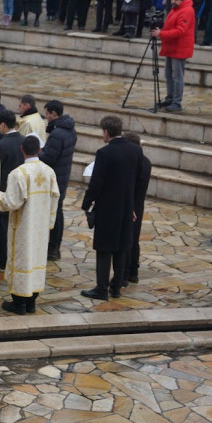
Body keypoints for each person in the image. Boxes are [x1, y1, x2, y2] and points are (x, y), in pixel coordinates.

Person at [0, 136, 59, 315]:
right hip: (40, 228)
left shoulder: (18, 173)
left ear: (22, 149)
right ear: (39, 150)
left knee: (22, 260)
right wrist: (49, 222)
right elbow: (55, 198)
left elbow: (11, 202)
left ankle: (19, 304)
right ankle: (31, 303)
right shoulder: (49, 172)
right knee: (36, 259)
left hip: (23, 227)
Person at [81, 116, 143, 302]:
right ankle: (116, 287)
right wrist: (132, 204)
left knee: (104, 248)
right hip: (126, 207)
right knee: (121, 247)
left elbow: (96, 183)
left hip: (107, 208)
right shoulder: (135, 150)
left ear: (106, 132)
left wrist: (86, 203)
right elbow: (138, 178)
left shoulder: (104, 153)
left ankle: (101, 288)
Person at [39, 100, 76, 261]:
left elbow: (48, 158)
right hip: (62, 175)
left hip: (56, 176)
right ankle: (55, 247)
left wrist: (38, 152)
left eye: (47, 113)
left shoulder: (57, 134)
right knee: (58, 210)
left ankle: (53, 248)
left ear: (54, 114)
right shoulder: (70, 130)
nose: (46, 117)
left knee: (55, 213)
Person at [151, 0, 195, 113]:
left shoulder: (187, 10)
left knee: (177, 76)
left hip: (180, 47)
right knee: (169, 75)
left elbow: (181, 30)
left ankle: (177, 102)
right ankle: (170, 98)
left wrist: (161, 34)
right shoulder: (175, 9)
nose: (173, 1)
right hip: (171, 46)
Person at [120, 132, 152, 286]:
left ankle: (125, 274)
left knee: (127, 239)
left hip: (130, 205)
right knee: (134, 239)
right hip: (139, 204)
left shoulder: (134, 164)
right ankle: (133, 272)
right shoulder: (146, 162)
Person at [0, 110, 24, 269]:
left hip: (5, 188)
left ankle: (3, 259)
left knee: (4, 225)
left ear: (4, 125)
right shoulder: (24, 140)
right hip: (22, 189)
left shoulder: (1, 145)